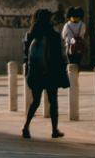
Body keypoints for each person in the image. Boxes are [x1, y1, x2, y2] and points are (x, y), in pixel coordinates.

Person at [22, 9, 69, 139]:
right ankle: (54, 130)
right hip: (50, 73)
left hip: (36, 72)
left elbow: (25, 55)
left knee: (35, 101)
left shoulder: (30, 34)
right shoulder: (53, 34)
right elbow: (58, 57)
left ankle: (26, 126)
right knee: (53, 101)